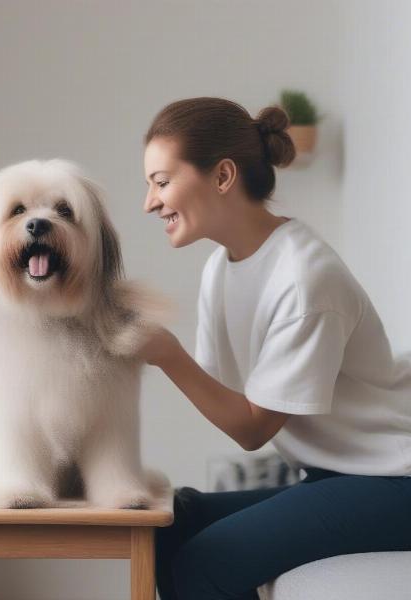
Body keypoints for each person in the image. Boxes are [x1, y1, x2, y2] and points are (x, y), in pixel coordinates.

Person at [137, 97, 411, 600]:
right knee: (176, 519)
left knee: (208, 560)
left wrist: (165, 352)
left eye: (161, 181)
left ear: (222, 176)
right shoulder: (222, 268)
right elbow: (224, 393)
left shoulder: (305, 280)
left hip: (395, 481)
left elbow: (251, 429)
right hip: (338, 475)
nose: (149, 203)